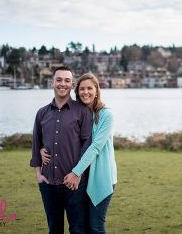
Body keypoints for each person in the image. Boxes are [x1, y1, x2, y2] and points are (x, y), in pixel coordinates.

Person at [41, 73, 117, 234]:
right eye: (82, 89)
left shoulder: (106, 115)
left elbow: (95, 147)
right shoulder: (80, 113)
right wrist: (43, 148)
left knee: (95, 227)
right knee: (83, 226)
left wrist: (76, 172)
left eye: (90, 88)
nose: (85, 92)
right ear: (77, 91)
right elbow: (63, 138)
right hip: (82, 179)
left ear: (97, 91)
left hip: (100, 177)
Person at [30, 66, 93, 234]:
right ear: (52, 83)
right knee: (54, 230)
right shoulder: (42, 113)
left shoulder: (83, 111)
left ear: (72, 84)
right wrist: (38, 175)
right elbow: (36, 144)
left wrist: (77, 173)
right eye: (59, 80)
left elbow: (88, 144)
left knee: (78, 230)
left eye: (67, 80)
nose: (62, 84)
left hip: (75, 183)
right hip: (48, 183)